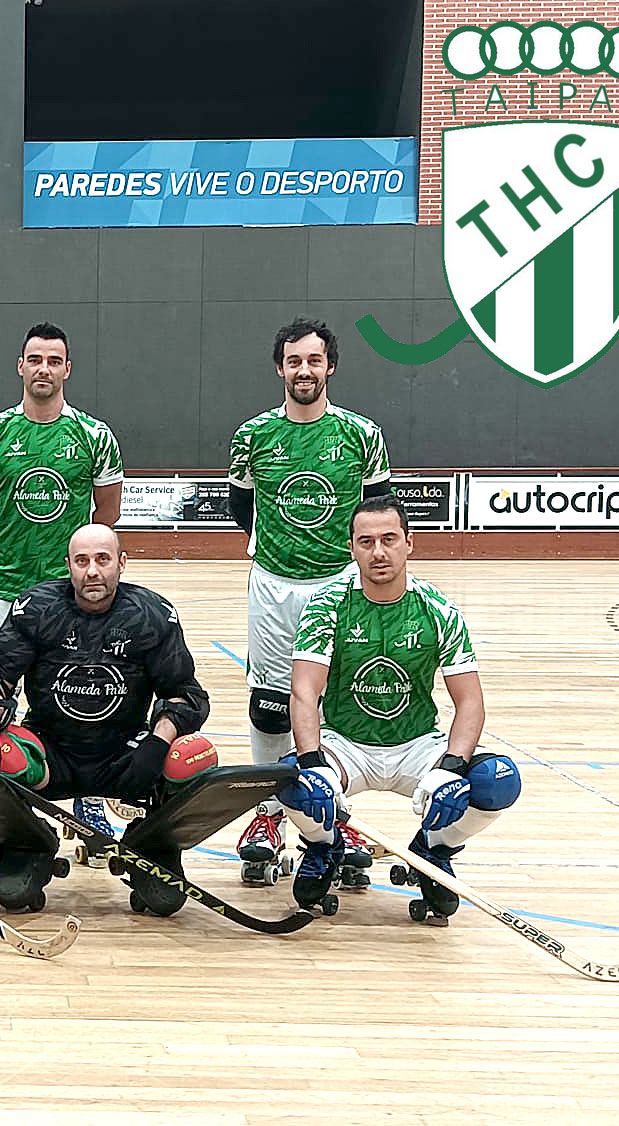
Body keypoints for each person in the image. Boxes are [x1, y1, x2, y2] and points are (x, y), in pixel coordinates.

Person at [275, 496, 522, 918]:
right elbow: (304, 692)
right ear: (351, 548)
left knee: (498, 780)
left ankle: (433, 850)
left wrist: (451, 767)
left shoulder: (438, 609)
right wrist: (313, 762)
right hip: (346, 745)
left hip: (417, 745)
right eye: (366, 542)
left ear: (410, 542)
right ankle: (324, 845)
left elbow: (470, 701)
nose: (378, 552)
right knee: (293, 779)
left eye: (389, 539)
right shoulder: (327, 604)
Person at [0, 524, 213, 915]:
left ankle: (152, 844)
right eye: (82, 561)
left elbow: (185, 693)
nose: (92, 571)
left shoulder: (151, 614)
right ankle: (28, 844)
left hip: (126, 755)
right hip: (53, 751)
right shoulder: (37, 608)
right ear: (68, 566)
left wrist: (156, 742)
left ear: (121, 563)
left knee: (193, 755)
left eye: (102, 560)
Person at [226, 317, 391, 879]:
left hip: (338, 585)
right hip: (273, 586)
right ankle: (268, 815)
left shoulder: (362, 435)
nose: (304, 370)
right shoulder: (252, 437)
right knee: (270, 703)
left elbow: (376, 513)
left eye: (313, 360)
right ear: (280, 368)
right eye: (294, 361)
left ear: (330, 366)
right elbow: (241, 508)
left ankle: (334, 813)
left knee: (336, 700)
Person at [0, 321, 124, 839]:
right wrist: (2, 548)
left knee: (85, 698)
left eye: (54, 361)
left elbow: (106, 516)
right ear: (20, 366)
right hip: (6, 588)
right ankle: (1, 807)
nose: (44, 369)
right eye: (35, 359)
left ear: (67, 369)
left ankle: (89, 798)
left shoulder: (94, 436)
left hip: (72, 598)